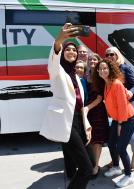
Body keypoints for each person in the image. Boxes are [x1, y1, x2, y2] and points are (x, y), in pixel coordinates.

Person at [40, 23, 94, 189]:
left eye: (74, 50)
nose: (72, 52)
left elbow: (80, 104)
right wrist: (59, 40)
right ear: (62, 53)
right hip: (66, 123)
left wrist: (86, 126)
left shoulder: (76, 76)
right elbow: (54, 55)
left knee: (81, 162)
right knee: (87, 169)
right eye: (68, 49)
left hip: (78, 122)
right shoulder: (57, 71)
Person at [93, 59, 134, 188]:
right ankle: (117, 167)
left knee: (121, 147)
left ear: (110, 69)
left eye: (105, 68)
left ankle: (128, 176)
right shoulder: (107, 83)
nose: (102, 71)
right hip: (118, 119)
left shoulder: (116, 84)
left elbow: (123, 107)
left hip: (127, 119)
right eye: (100, 69)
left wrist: (120, 124)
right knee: (111, 143)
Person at [105, 46, 134, 172]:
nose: (109, 57)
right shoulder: (108, 69)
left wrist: (131, 92)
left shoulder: (124, 67)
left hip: (130, 104)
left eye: (112, 54)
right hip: (119, 107)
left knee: (132, 134)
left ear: (117, 55)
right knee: (119, 135)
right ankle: (117, 158)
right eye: (107, 55)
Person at [83, 53, 109, 177]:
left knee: (98, 140)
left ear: (98, 62)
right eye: (90, 59)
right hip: (88, 113)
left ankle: (95, 166)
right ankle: (93, 163)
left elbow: (99, 98)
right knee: (91, 140)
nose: (92, 61)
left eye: (94, 59)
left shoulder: (100, 77)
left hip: (97, 111)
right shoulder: (85, 75)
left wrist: (87, 108)